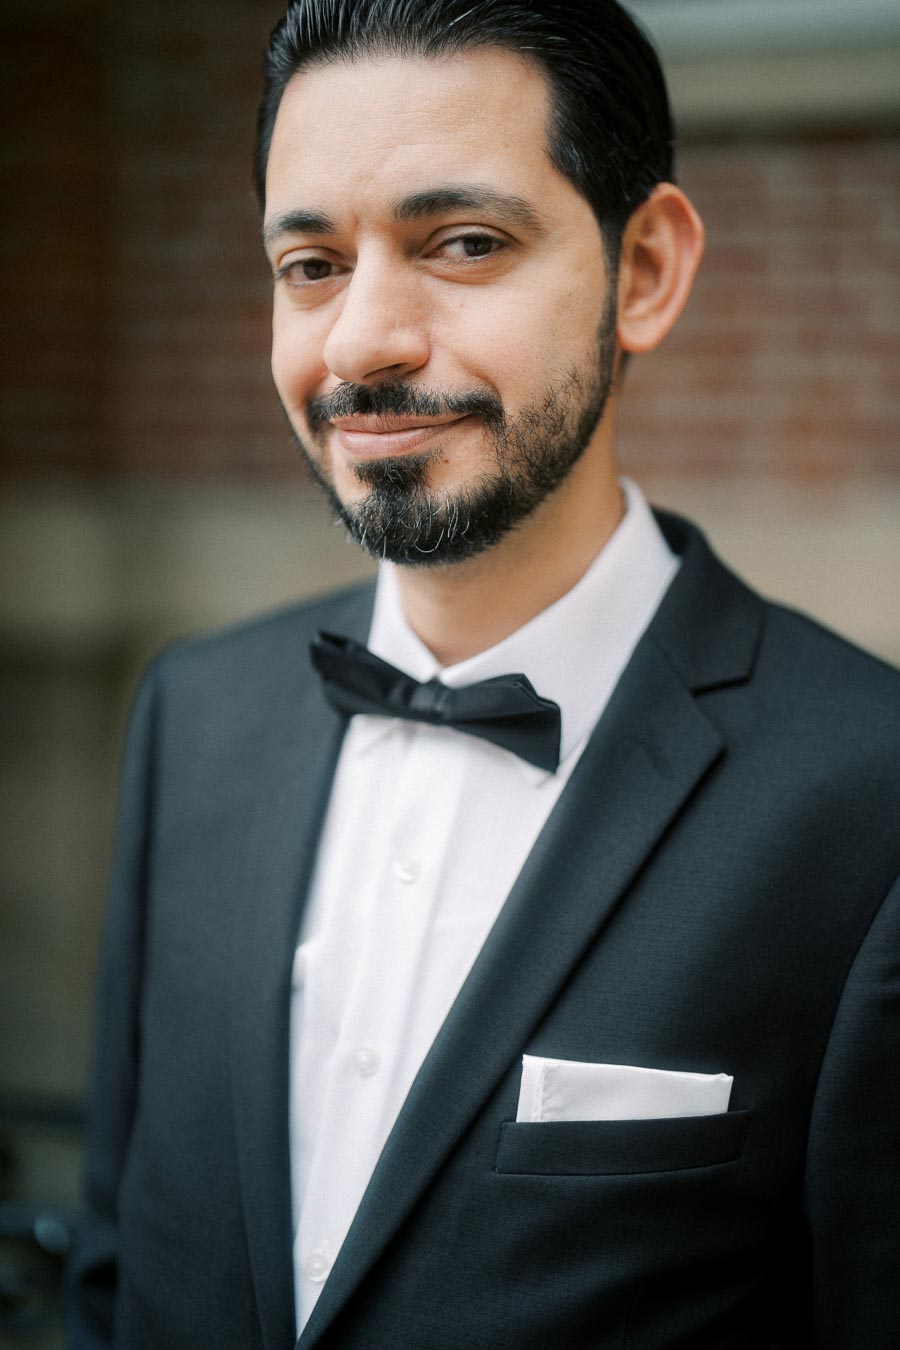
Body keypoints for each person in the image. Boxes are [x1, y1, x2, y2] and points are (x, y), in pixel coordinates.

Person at [67, 2, 900, 1347]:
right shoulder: (191, 716)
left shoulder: (870, 796)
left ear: (645, 271)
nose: (362, 344)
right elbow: (117, 1274)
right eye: (311, 263)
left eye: (463, 243)